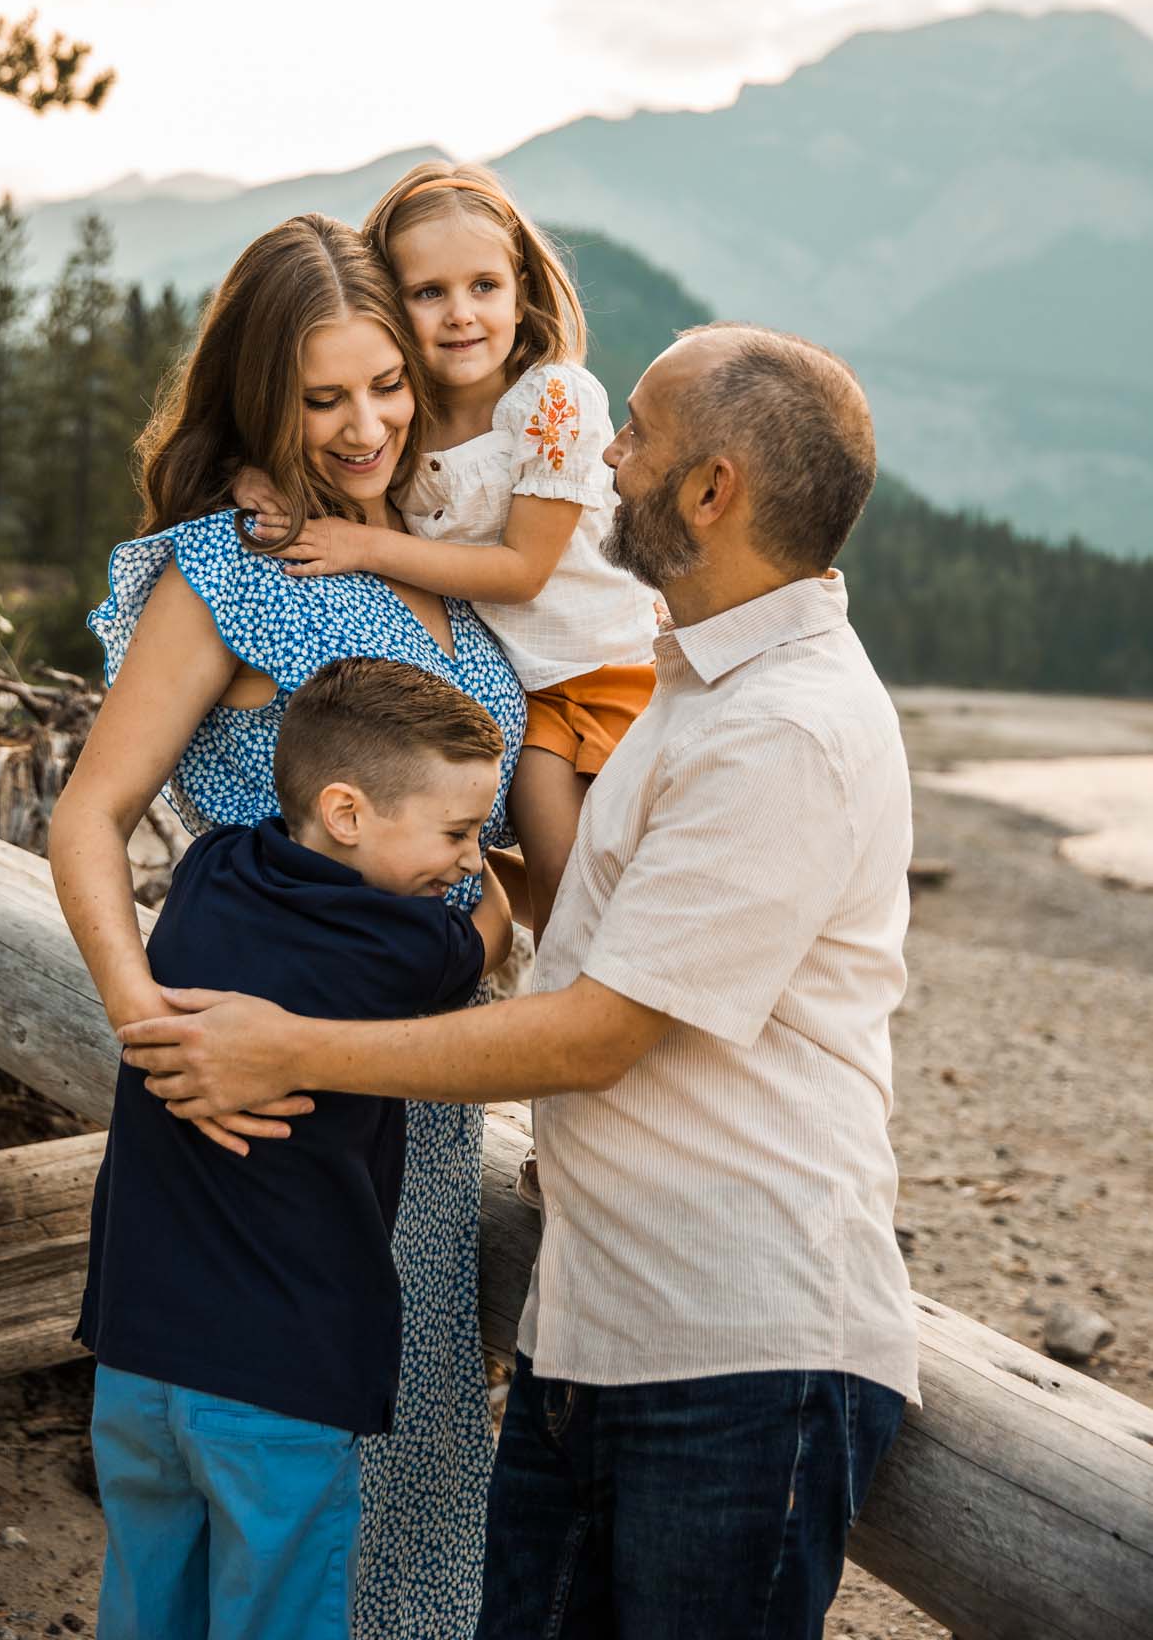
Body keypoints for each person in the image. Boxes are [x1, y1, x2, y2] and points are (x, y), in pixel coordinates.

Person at [119, 321, 922, 1639]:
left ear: (712, 491)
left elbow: (600, 1031)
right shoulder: (692, 682)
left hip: (740, 1345)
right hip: (602, 1325)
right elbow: (566, 914)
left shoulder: (787, 725)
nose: (601, 454)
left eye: (639, 434)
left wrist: (291, 1045)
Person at [48, 213, 527, 1640]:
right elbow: (91, 817)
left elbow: (476, 830)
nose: (368, 422)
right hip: (257, 1104)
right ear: (264, 397)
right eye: (324, 398)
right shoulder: (228, 568)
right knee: (256, 1518)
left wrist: (494, 911)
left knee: (396, 1510)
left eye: (386, 384)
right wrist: (152, 1024)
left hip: (419, 1121)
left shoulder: (441, 556)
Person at [80, 659, 512, 1640]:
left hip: (137, 1347)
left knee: (147, 1604)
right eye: (454, 831)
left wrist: (447, 845)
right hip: (279, 1369)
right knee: (275, 1613)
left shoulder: (210, 867)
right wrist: (487, 886)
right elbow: (487, 933)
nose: (464, 854)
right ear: (349, 812)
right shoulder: (395, 946)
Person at [238, 161, 659, 943]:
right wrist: (259, 474)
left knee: (617, 887)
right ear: (387, 305)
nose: (460, 314)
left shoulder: (549, 400)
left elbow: (520, 572)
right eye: (428, 292)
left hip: (606, 671)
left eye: (483, 287)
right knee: (562, 901)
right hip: (528, 695)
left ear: (522, 289)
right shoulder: (403, 410)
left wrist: (360, 546)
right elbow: (329, 445)